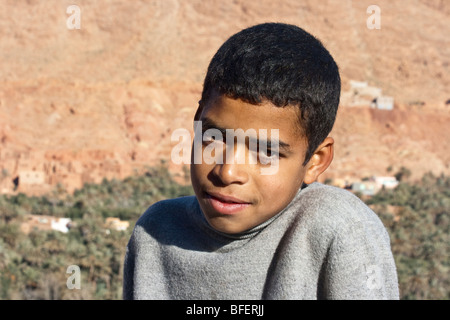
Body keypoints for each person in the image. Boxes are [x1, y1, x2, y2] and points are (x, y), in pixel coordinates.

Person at [123, 23, 399, 300]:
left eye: (266, 152)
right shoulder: (156, 231)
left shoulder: (338, 229)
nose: (228, 171)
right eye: (214, 137)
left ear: (315, 160)